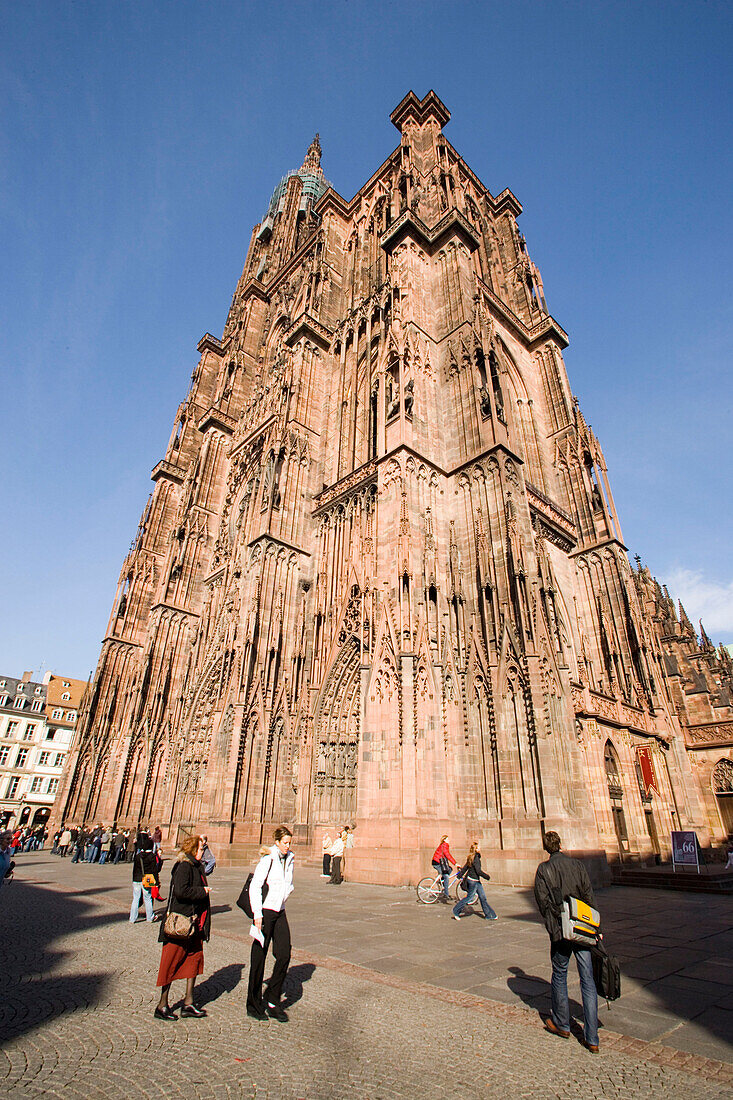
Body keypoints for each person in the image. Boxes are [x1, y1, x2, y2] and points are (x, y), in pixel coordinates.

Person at [534, 831, 600, 1053]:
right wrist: (596, 928)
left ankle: (562, 1024)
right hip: (582, 927)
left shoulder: (544, 869)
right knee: (588, 980)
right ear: (560, 844)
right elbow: (589, 896)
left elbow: (542, 903)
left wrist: (554, 921)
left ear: (545, 847)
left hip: (561, 930)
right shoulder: (577, 866)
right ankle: (592, 1038)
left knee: (560, 973)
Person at [155, 834, 211, 1020]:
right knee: (171, 961)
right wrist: (202, 891)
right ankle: (162, 1005)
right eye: (202, 848)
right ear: (193, 849)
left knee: (194, 960)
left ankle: (188, 1002)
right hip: (180, 923)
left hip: (195, 923)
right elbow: (180, 891)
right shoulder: (184, 866)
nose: (204, 852)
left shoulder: (197, 866)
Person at [246, 825, 294, 1022]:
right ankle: (253, 1003)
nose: (288, 847)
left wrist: (286, 894)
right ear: (277, 842)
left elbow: (288, 882)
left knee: (284, 954)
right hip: (265, 911)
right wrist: (257, 914)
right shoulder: (268, 858)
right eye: (285, 843)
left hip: (280, 910)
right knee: (259, 958)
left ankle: (273, 999)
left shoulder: (290, 859)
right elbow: (255, 885)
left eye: (290, 843)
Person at [452, 842, 497, 921]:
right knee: (469, 898)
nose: (480, 848)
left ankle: (490, 915)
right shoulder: (475, 858)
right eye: (479, 847)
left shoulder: (472, 857)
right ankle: (456, 911)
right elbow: (478, 871)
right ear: (476, 849)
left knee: (483, 897)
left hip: (475, 880)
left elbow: (466, 867)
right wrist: (487, 876)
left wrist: (459, 875)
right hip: (473, 881)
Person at [129, 834, 159, 923]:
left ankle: (132, 918)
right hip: (147, 879)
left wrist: (134, 879)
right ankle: (149, 917)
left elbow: (134, 869)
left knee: (135, 899)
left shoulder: (138, 856)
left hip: (137, 879)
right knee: (148, 898)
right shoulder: (152, 856)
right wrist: (156, 882)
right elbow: (154, 871)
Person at [431, 834, 457, 903]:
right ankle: (446, 894)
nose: (449, 840)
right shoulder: (444, 845)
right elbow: (447, 855)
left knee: (450, 869)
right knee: (446, 876)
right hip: (436, 863)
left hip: (439, 862)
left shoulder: (445, 845)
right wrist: (455, 863)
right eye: (447, 839)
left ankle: (442, 882)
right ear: (444, 840)